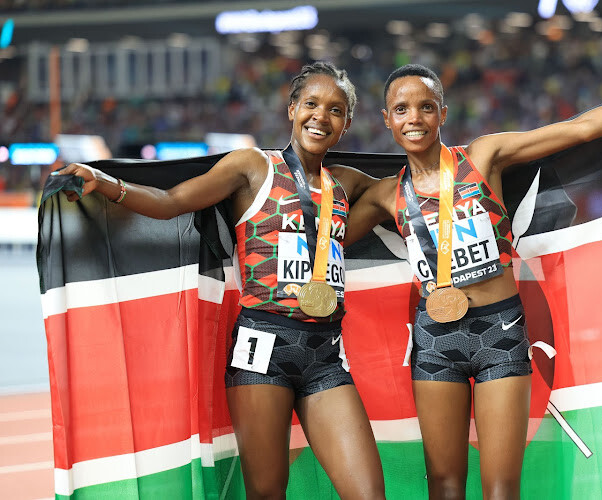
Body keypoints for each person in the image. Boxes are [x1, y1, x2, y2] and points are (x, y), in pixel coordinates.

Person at [343, 64, 602, 500]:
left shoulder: (482, 157)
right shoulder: (387, 195)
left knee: (501, 488)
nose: (414, 118)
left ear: (443, 113)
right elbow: (324, 237)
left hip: (499, 333)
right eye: (401, 109)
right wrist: (329, 172)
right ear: (386, 119)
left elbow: (582, 129)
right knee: (444, 485)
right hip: (435, 341)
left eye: (425, 107)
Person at [55, 62, 385, 500]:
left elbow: (413, 192)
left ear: (347, 123)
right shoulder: (254, 166)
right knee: (267, 494)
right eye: (311, 104)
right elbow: (172, 200)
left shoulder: (345, 184)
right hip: (262, 350)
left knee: (368, 493)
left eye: (336, 110)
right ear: (291, 109)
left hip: (325, 355)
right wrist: (105, 182)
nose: (321, 116)